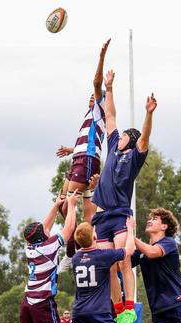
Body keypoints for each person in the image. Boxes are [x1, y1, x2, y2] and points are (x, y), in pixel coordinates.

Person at [91, 68, 158, 323]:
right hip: (102, 216)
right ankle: (118, 310)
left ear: (129, 140)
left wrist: (149, 113)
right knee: (107, 265)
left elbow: (145, 137)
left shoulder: (134, 158)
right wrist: (109, 87)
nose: (119, 136)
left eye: (124, 136)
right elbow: (110, 114)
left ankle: (129, 308)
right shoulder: (112, 145)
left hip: (119, 213)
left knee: (123, 260)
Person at [55, 217, 136, 323]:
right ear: (94, 236)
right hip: (99, 311)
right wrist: (130, 228)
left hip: (79, 311)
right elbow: (129, 250)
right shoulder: (103, 256)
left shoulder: (76, 258)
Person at [14, 192, 78, 323]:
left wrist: (56, 206)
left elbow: (44, 227)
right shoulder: (49, 247)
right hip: (42, 302)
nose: (47, 228)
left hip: (27, 301)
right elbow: (69, 228)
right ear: (43, 236)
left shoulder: (30, 248)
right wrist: (71, 205)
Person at [56, 39, 110, 224]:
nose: (91, 96)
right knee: (87, 217)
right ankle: (85, 245)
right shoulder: (92, 116)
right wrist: (72, 149)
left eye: (94, 96)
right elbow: (90, 142)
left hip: (85, 159)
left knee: (65, 205)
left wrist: (101, 57)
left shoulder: (99, 108)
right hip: (83, 158)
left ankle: (72, 249)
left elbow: (96, 83)